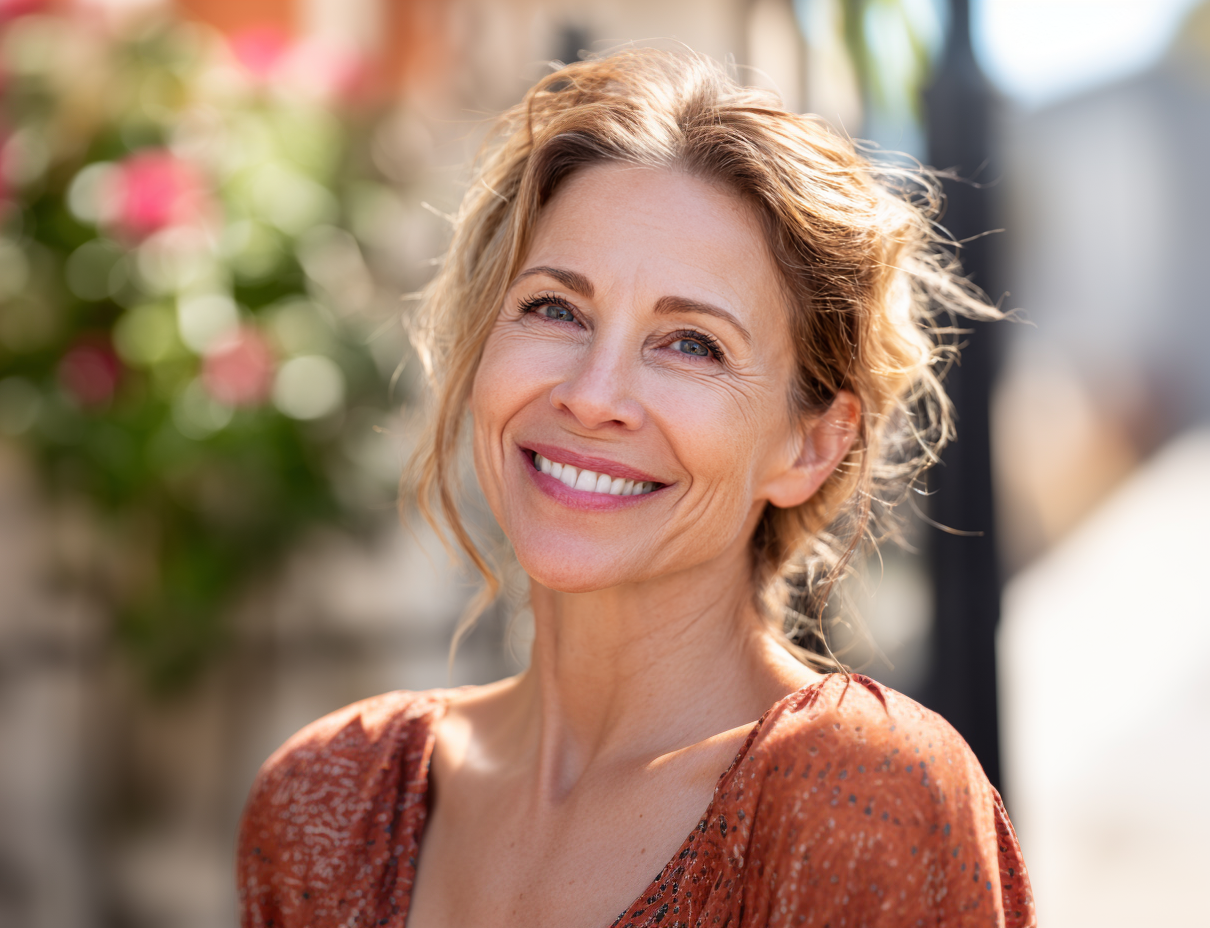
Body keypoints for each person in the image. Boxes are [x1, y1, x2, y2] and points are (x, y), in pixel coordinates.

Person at [237, 50, 1036, 928]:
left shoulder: (860, 791)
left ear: (811, 445)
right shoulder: (328, 799)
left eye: (692, 344)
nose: (591, 395)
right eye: (555, 309)